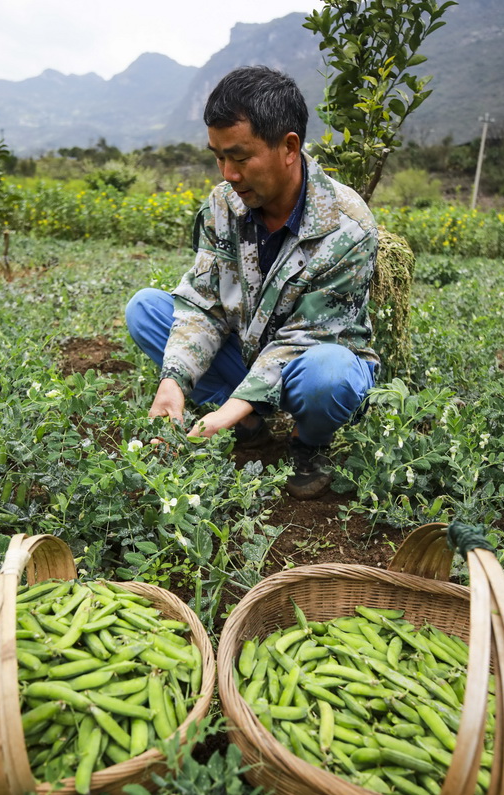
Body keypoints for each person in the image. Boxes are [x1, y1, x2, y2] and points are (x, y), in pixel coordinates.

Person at [125, 65, 380, 499]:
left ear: (289, 147)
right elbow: (203, 302)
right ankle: (249, 423)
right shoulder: (223, 204)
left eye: (240, 158)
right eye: (218, 157)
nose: (228, 174)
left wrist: (222, 411)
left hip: (309, 364)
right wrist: (174, 380)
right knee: (147, 309)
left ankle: (307, 442)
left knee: (330, 374)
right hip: (249, 349)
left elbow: (305, 339)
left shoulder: (347, 226)